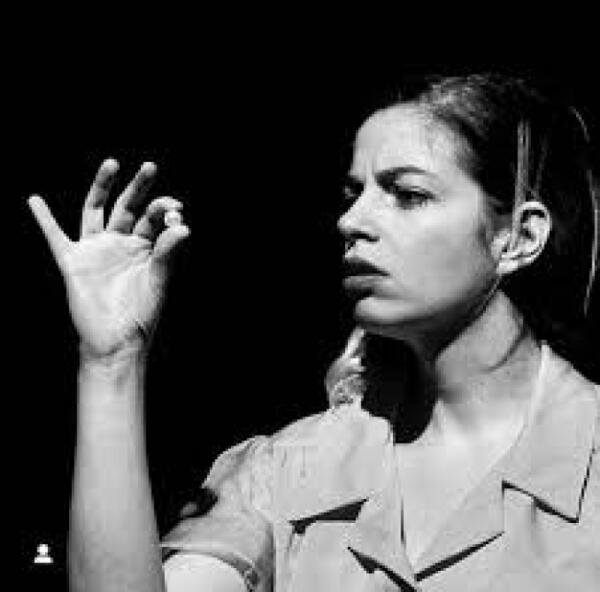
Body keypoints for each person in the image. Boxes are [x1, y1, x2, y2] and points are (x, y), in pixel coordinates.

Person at [27, 72, 600, 591]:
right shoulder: (291, 468)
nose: (350, 221)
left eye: (408, 195)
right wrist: (112, 363)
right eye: (355, 194)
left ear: (519, 238)